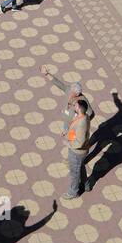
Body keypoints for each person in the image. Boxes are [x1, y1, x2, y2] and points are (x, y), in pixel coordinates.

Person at [40, 66, 95, 200]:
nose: (70, 94)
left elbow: (91, 113)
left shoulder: (82, 102)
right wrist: (47, 74)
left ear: (77, 94)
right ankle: (86, 184)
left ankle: (74, 191)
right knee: (79, 164)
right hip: (70, 126)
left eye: (73, 93)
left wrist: (80, 120)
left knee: (75, 167)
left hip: (75, 130)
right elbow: (59, 83)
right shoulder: (68, 90)